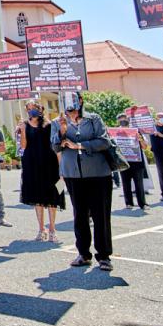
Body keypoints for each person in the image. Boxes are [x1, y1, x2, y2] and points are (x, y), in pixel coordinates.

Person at [54, 91, 114, 271]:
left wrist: (81, 145)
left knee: (100, 215)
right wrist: (62, 131)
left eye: (73, 101)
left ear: (80, 101)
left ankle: (104, 256)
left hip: (98, 173)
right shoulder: (58, 121)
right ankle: (83, 253)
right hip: (73, 173)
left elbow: (104, 141)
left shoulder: (93, 118)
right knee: (80, 214)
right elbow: (55, 146)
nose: (70, 107)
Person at [19, 101, 65, 242]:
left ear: (40, 109)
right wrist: (22, 131)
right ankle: (41, 229)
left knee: (52, 197)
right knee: (37, 198)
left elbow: (57, 146)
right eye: (28, 109)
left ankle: (52, 229)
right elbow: (23, 146)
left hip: (50, 165)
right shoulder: (25, 125)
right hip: (32, 164)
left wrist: (61, 168)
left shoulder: (50, 125)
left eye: (34, 108)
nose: (31, 111)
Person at [117, 113, 148, 211]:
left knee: (139, 184)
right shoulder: (116, 132)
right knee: (126, 184)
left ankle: (142, 204)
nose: (123, 121)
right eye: (121, 120)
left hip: (137, 162)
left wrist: (140, 139)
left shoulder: (136, 131)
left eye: (124, 119)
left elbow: (145, 146)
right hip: (124, 162)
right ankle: (129, 203)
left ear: (128, 119)